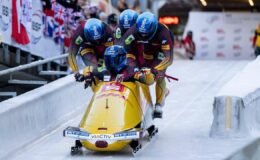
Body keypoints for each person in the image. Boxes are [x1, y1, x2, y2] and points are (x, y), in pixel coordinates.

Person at [119, 12, 174, 118]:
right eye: (141, 34)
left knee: (159, 75)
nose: (144, 36)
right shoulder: (135, 30)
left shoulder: (163, 33)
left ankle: (158, 104)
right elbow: (122, 47)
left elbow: (169, 59)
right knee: (141, 74)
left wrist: (156, 70)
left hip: (161, 52)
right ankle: (144, 104)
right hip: (147, 50)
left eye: (146, 34)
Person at [83, 45, 155, 88]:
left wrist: (147, 74)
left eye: (114, 60)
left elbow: (150, 81)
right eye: (109, 60)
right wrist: (87, 76)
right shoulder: (103, 71)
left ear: (122, 59)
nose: (111, 63)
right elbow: (88, 69)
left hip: (126, 99)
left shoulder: (131, 71)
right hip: (107, 97)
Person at [68, 18, 114, 82]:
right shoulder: (79, 34)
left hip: (103, 46)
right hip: (87, 47)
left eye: (98, 39)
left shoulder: (107, 31)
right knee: (94, 67)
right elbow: (71, 54)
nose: (97, 42)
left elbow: (111, 51)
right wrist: (76, 73)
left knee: (106, 65)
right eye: (95, 40)